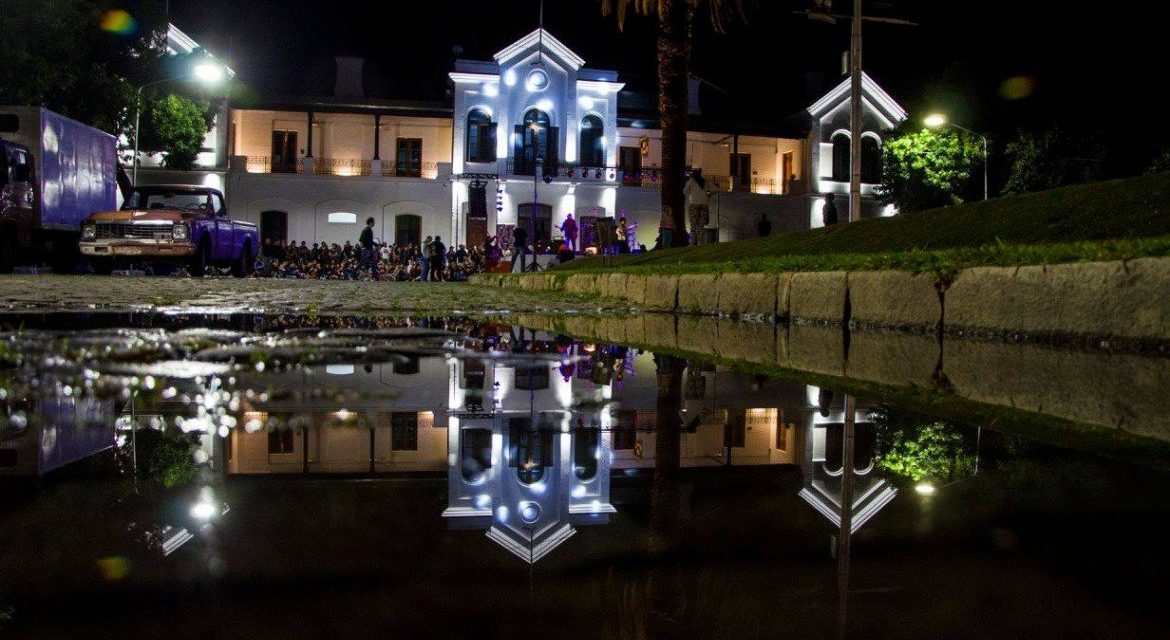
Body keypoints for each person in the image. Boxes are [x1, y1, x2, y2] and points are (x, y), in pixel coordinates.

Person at [683, 169, 712, 245]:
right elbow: (716, 189)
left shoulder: (692, 180)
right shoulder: (704, 181)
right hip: (704, 205)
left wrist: (691, 194)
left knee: (694, 224)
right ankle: (699, 241)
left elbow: (685, 191)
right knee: (700, 224)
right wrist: (709, 194)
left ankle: (693, 241)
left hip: (694, 204)